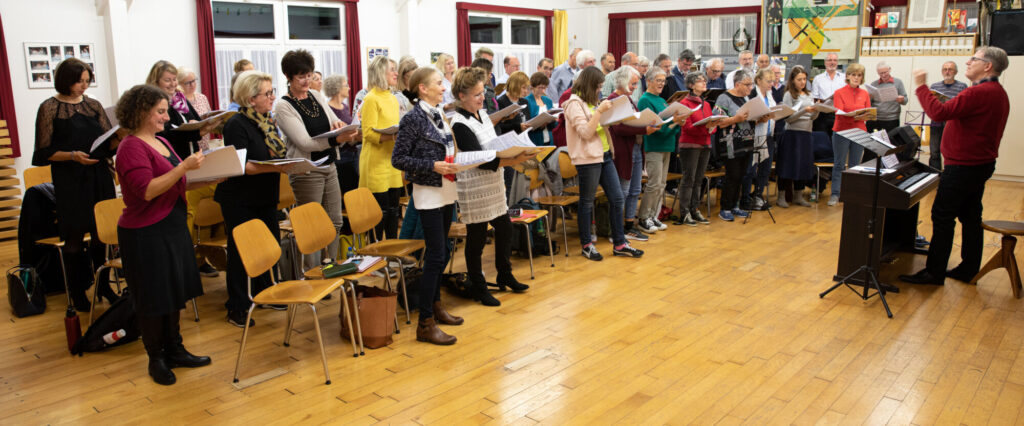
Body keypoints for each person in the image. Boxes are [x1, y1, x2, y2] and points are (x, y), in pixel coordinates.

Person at [114, 84, 211, 385]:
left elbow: (175, 183)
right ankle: (155, 357)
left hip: (171, 224)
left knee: (173, 291)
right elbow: (147, 190)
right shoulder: (130, 147)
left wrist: (214, 176)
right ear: (141, 112)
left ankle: (175, 349)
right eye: (160, 112)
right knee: (152, 296)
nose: (166, 117)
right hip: (145, 231)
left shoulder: (162, 142)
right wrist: (184, 167)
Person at [900, 46, 1010, 286]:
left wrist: (921, 86)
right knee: (970, 216)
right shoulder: (998, 92)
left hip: (962, 166)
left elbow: (938, 113)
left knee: (942, 216)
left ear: (988, 66)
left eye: (974, 59)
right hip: (979, 164)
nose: (968, 62)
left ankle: (934, 272)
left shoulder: (978, 92)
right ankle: (968, 268)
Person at [32, 57, 119, 310]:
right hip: (70, 180)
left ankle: (103, 286)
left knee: (101, 235)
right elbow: (43, 152)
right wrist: (72, 156)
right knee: (74, 236)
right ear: (65, 80)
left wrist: (120, 136)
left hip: (99, 175)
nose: (84, 86)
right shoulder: (50, 108)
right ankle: (77, 291)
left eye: (87, 81)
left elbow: (107, 142)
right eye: (79, 81)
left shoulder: (93, 105)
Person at [390, 67, 464, 346]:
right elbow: (398, 159)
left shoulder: (439, 113)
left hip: (446, 188)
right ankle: (425, 323)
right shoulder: (412, 119)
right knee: (435, 255)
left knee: (442, 250)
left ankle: (435, 305)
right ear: (422, 88)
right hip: (428, 192)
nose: (444, 87)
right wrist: (432, 165)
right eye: (438, 83)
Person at [448, 66, 533, 306]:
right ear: (462, 96)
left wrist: (511, 148)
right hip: (475, 186)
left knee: (504, 228)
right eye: (476, 94)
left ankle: (504, 274)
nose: (481, 98)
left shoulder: (482, 114)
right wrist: (514, 159)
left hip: (493, 183)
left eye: (482, 93)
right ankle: (479, 287)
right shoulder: (459, 123)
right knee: (476, 238)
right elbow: (481, 160)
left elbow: (492, 145)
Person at [215, 70, 292, 327]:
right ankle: (237, 305)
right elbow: (243, 166)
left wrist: (285, 164)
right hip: (240, 198)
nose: (273, 97)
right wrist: (279, 167)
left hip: (264, 195)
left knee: (268, 246)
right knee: (241, 252)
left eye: (272, 92)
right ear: (250, 99)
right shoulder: (236, 124)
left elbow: (273, 155)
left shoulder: (266, 121)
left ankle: (265, 292)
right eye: (267, 93)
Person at [275, 50, 358, 272]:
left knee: (335, 221)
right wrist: (335, 139)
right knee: (312, 226)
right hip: (306, 171)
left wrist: (340, 127)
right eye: (300, 76)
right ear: (288, 77)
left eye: (309, 75)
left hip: (328, 164)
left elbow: (334, 121)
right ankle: (312, 272)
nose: (306, 80)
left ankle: (330, 266)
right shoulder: (283, 106)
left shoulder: (316, 95)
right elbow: (304, 142)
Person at [562, 66, 644, 260]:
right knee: (587, 202)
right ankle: (587, 245)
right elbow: (585, 132)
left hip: (604, 154)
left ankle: (619, 243)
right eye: (598, 86)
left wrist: (612, 118)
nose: (600, 90)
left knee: (617, 198)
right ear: (589, 85)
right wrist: (599, 112)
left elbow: (599, 125)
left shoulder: (591, 102)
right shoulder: (574, 103)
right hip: (588, 158)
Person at [176, 67, 219, 278]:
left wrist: (210, 124)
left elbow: (202, 126)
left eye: (194, 80)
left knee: (215, 198)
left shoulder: (199, 98)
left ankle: (207, 255)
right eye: (187, 82)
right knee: (190, 210)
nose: (192, 85)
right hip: (185, 158)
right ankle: (192, 259)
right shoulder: (176, 103)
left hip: (203, 152)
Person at [607, 67, 657, 240]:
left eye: (636, 84)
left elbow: (633, 121)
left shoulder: (628, 99)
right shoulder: (613, 99)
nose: (635, 87)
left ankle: (629, 225)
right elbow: (618, 128)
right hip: (623, 150)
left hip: (635, 148)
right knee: (623, 191)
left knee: (635, 189)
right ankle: (616, 229)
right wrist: (644, 129)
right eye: (633, 83)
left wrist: (647, 124)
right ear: (622, 81)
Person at [360, 55, 405, 240]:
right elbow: (368, 133)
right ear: (380, 72)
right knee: (380, 213)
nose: (396, 73)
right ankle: (376, 251)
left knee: (394, 211)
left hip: (391, 161)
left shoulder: (392, 98)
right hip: (376, 163)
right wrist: (393, 136)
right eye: (392, 70)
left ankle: (393, 250)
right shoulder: (371, 99)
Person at [636, 68, 683, 230]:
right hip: (654, 145)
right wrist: (674, 123)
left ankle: (653, 216)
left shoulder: (662, 100)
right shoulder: (645, 100)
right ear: (648, 81)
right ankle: (644, 218)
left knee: (662, 184)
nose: (662, 84)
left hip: (667, 145)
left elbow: (669, 127)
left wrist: (677, 123)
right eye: (658, 80)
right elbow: (657, 128)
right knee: (654, 184)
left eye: (664, 81)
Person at [671, 71, 715, 226]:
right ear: (691, 85)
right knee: (689, 179)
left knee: (699, 179)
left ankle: (695, 209)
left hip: (705, 144)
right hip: (690, 145)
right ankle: (685, 212)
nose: (704, 83)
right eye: (700, 81)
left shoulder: (706, 104)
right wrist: (706, 128)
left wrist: (712, 127)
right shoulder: (684, 103)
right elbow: (688, 127)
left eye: (705, 80)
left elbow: (712, 124)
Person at [714, 70, 756, 222]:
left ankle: (734, 205)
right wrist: (735, 119)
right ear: (737, 84)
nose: (750, 88)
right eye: (747, 84)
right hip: (730, 143)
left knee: (742, 175)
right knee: (732, 175)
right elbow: (718, 122)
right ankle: (725, 208)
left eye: (751, 84)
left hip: (746, 141)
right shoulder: (723, 98)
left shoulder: (745, 98)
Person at [828, 63, 871, 206]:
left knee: (855, 165)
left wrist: (859, 116)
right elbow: (839, 112)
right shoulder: (839, 92)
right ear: (848, 76)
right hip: (842, 130)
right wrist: (855, 116)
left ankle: (852, 194)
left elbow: (868, 113)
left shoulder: (864, 93)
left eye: (859, 75)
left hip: (859, 131)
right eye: (853, 75)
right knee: (839, 164)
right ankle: (835, 194)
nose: (856, 78)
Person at [777, 66, 819, 208]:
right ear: (793, 80)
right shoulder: (789, 95)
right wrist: (804, 111)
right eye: (799, 79)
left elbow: (812, 118)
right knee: (787, 164)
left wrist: (817, 111)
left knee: (803, 164)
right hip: (792, 134)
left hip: (806, 133)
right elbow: (788, 119)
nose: (802, 82)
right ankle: (781, 196)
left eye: (804, 79)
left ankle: (798, 196)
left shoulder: (809, 94)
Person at [741, 69, 777, 211]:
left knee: (765, 168)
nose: (771, 84)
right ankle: (745, 198)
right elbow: (746, 117)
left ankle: (758, 195)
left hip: (768, 135)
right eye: (768, 81)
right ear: (759, 80)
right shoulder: (752, 95)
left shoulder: (770, 95)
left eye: (772, 81)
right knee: (750, 169)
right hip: (754, 136)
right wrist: (759, 119)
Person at [324, 75, 361, 197]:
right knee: (347, 191)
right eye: (346, 85)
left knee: (355, 190)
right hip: (341, 156)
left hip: (353, 152)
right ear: (338, 88)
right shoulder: (328, 108)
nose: (349, 88)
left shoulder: (344, 107)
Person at [927, 61, 968, 171]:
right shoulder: (935, 86)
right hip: (936, 122)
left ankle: (949, 174)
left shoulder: (962, 86)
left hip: (952, 123)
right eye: (945, 69)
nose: (947, 72)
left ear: (956, 72)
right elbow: (931, 105)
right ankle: (935, 175)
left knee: (951, 151)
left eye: (950, 69)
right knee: (934, 151)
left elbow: (964, 106)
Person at [866, 62, 908, 139]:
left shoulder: (898, 82)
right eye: (880, 73)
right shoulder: (874, 84)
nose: (883, 75)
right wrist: (869, 97)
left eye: (885, 72)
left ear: (890, 70)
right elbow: (869, 104)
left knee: (891, 141)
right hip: (875, 118)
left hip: (891, 119)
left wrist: (901, 100)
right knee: (872, 141)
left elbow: (905, 100)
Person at [811, 53, 844, 137]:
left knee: (837, 141)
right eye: (829, 60)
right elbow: (814, 98)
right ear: (825, 62)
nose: (832, 62)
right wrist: (822, 101)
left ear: (837, 62)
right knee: (822, 140)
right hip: (822, 115)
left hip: (839, 115)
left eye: (835, 60)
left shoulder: (844, 78)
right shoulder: (818, 78)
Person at [524, 72, 558, 146]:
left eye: (544, 88)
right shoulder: (526, 101)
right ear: (532, 86)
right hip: (534, 138)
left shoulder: (548, 100)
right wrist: (540, 124)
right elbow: (526, 123)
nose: (542, 90)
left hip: (549, 138)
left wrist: (553, 120)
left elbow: (554, 125)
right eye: (540, 87)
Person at [494, 71, 531, 136]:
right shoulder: (500, 102)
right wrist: (518, 127)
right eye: (523, 87)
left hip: (524, 138)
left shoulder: (524, 101)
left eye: (526, 88)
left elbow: (528, 119)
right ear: (515, 86)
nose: (526, 91)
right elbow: (499, 127)